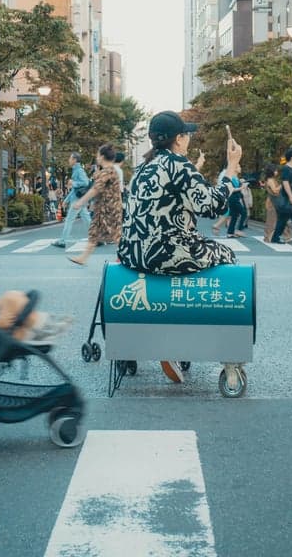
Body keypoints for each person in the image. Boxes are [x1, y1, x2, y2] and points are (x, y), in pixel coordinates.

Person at [117, 110, 242, 387]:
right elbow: (211, 205)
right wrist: (232, 167)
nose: (188, 139)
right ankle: (185, 342)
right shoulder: (178, 164)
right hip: (165, 253)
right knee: (226, 255)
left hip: (132, 253)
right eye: (186, 134)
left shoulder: (142, 167)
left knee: (191, 256)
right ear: (179, 139)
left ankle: (168, 342)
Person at [68, 144, 123, 266]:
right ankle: (83, 258)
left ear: (102, 157)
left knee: (116, 234)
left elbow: (96, 189)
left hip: (109, 209)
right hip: (103, 209)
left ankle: (127, 257)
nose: (97, 157)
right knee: (94, 232)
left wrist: (81, 202)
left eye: (98, 155)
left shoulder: (108, 171)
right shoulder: (106, 171)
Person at [53, 152, 92, 248]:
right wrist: (66, 200)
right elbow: (74, 190)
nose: (69, 160)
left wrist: (73, 183)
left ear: (74, 160)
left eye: (70, 158)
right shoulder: (76, 170)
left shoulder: (79, 170)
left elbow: (85, 182)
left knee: (69, 220)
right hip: (79, 199)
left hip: (77, 200)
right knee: (87, 219)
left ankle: (62, 241)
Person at [226, 165, 246, 238]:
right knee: (244, 213)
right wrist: (242, 187)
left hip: (236, 198)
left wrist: (241, 183)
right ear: (235, 168)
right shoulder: (231, 177)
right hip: (233, 198)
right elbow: (232, 189)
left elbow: (237, 187)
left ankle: (230, 233)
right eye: (239, 167)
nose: (240, 168)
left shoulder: (236, 178)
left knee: (234, 216)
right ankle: (239, 230)